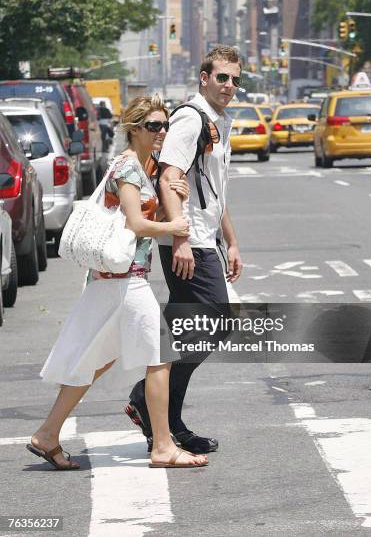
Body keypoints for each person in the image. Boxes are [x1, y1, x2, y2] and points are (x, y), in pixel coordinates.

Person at [26, 95, 208, 470]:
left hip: (114, 281)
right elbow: (134, 224)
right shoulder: (127, 168)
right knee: (160, 357)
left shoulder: (146, 166)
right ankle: (162, 447)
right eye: (153, 126)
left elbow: (160, 190)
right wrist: (172, 227)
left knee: (95, 361)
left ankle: (47, 434)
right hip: (125, 280)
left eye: (165, 126)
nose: (161, 132)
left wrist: (173, 191)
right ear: (134, 129)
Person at [126, 45, 243, 454]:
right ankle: (147, 398)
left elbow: (213, 189)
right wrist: (180, 238)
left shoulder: (218, 120)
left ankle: (166, 420)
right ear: (204, 78)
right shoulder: (191, 120)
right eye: (222, 77)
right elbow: (169, 177)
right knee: (216, 322)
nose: (229, 85)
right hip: (187, 242)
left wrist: (231, 241)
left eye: (235, 79)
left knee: (190, 331)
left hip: (204, 237)